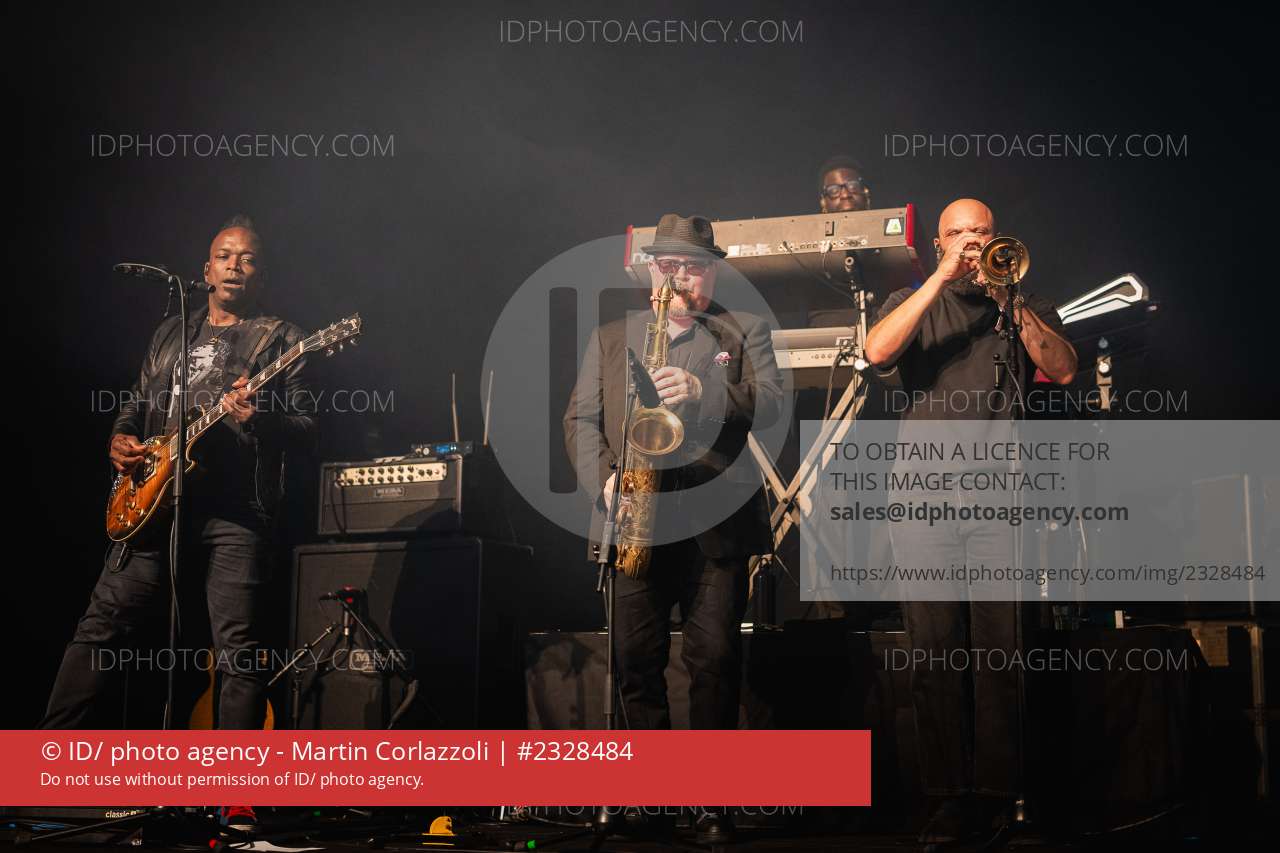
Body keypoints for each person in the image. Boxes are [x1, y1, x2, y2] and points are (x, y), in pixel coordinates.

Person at [563, 213, 784, 844]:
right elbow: (579, 421)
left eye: (693, 266)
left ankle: (709, 799)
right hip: (635, 515)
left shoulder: (745, 330)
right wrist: (604, 481)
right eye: (669, 266)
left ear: (711, 273)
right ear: (651, 273)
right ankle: (653, 796)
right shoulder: (611, 337)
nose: (680, 277)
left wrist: (703, 390)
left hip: (716, 524)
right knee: (636, 663)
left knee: (714, 659)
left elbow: (772, 405)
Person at [43, 216, 315, 727]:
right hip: (154, 502)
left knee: (238, 651)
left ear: (262, 275)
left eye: (248, 259)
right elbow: (136, 402)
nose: (234, 265)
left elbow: (308, 429)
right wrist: (120, 437)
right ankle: (47, 755)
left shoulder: (282, 339)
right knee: (100, 628)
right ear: (206, 271)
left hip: (235, 516)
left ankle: (232, 777)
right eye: (224, 256)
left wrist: (259, 418)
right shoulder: (172, 332)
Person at [864, 198, 1076, 847]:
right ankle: (949, 799)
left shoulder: (1022, 303)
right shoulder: (912, 298)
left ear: (997, 238)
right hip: (922, 498)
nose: (970, 244)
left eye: (980, 233)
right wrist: (940, 279)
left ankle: (1004, 795)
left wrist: (1010, 298)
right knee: (934, 650)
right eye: (957, 235)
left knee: (1002, 650)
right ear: (939, 244)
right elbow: (876, 351)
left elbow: (1063, 367)